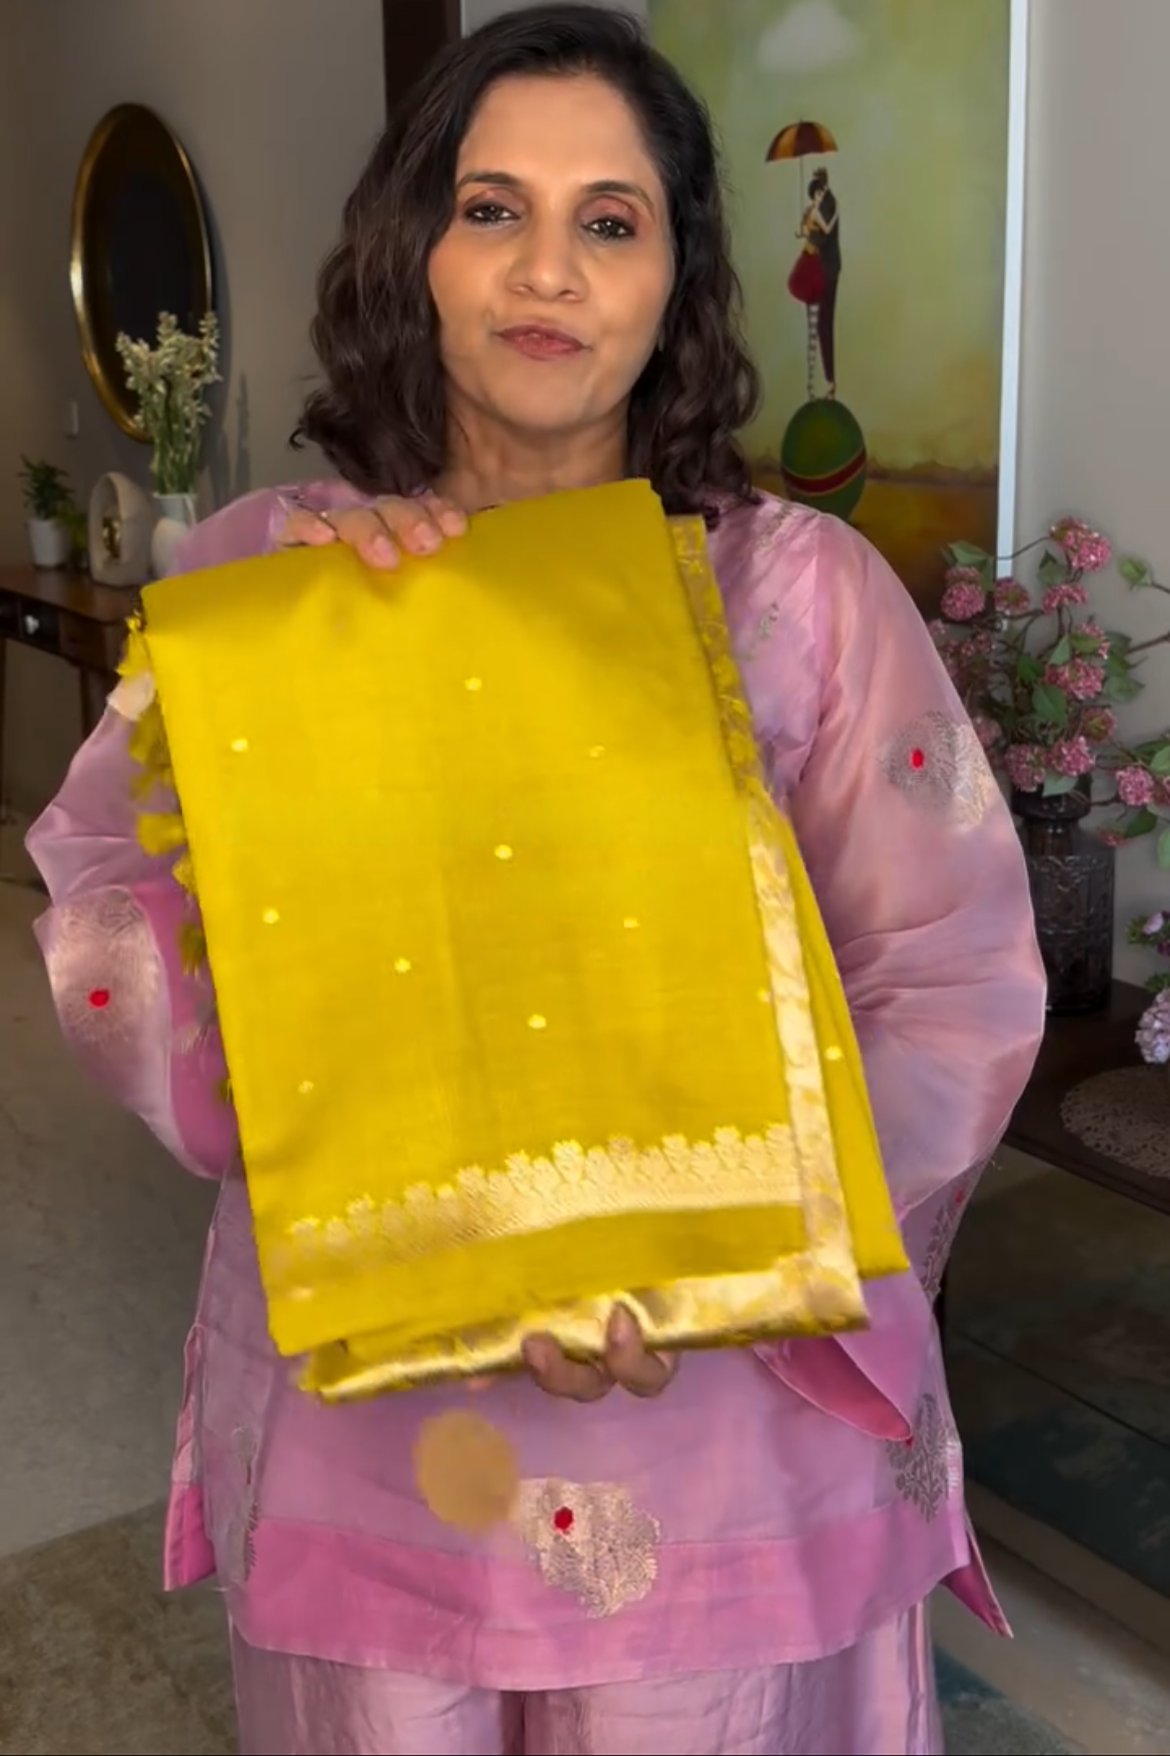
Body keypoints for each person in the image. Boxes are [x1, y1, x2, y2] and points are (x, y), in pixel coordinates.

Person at [27, 7, 1046, 1753]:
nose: (546, 269)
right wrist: (308, 694)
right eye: (491, 207)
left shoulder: (794, 594)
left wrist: (721, 1255)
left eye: (609, 219)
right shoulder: (272, 579)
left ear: (675, 278)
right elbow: (110, 906)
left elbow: (949, 981)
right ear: (412, 250)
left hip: (716, 1440)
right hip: (385, 1426)